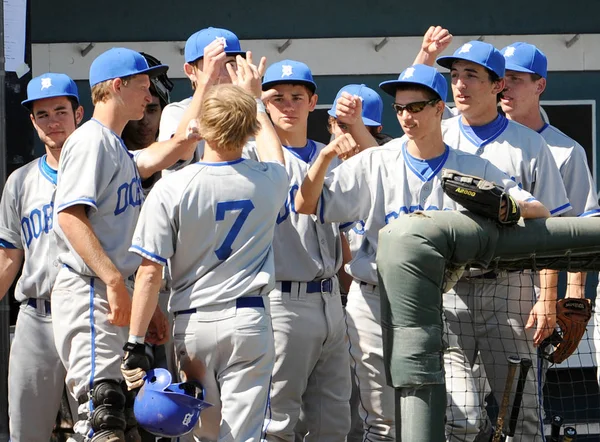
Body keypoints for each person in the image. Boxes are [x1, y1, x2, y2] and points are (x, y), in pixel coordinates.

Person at [293, 63, 550, 442]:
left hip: (438, 303)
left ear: (438, 109)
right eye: (400, 109)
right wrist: (326, 155)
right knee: (384, 425)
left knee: (462, 419)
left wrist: (505, 207)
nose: (406, 116)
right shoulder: (377, 160)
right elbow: (305, 203)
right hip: (374, 299)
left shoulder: (471, 167)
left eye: (416, 107)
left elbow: (538, 209)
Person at [123, 65, 288, 442]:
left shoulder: (172, 187)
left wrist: (134, 342)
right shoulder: (271, 179)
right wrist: (255, 104)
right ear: (248, 130)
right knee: (243, 436)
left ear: (201, 128)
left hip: (193, 323)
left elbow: (150, 271)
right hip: (249, 319)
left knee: (200, 435)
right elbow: (275, 157)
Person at [50, 47, 199, 442]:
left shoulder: (112, 144)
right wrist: (117, 283)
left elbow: (162, 155)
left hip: (109, 290)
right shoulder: (91, 141)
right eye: (143, 87)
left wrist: (138, 303)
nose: (149, 97)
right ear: (117, 86)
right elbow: (69, 216)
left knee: (124, 422)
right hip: (90, 291)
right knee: (102, 415)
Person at [435, 41, 571, 441]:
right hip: (449, 290)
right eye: (454, 75)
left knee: (522, 416)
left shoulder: (530, 144)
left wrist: (548, 298)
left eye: (472, 75)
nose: (460, 85)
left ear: (497, 85)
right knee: (457, 418)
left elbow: (552, 230)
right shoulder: (437, 137)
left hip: (510, 292)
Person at [257, 59, 352, 442]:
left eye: (297, 96)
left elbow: (345, 237)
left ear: (314, 102)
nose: (288, 105)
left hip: (330, 299)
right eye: (277, 98)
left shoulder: (334, 157)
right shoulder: (253, 158)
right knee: (278, 422)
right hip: (282, 299)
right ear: (264, 104)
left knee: (333, 423)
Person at [0, 73, 82, 442]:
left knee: (99, 428)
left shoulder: (105, 170)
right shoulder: (20, 181)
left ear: (78, 114)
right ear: (33, 122)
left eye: (61, 111)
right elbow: (8, 256)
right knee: (25, 431)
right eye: (43, 114)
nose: (53, 121)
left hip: (88, 311)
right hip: (37, 315)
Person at [158, 27, 247, 172]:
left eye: (230, 64)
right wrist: (207, 82)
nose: (223, 75)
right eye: (213, 64)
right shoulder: (177, 112)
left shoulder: (250, 111)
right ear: (190, 71)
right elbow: (174, 160)